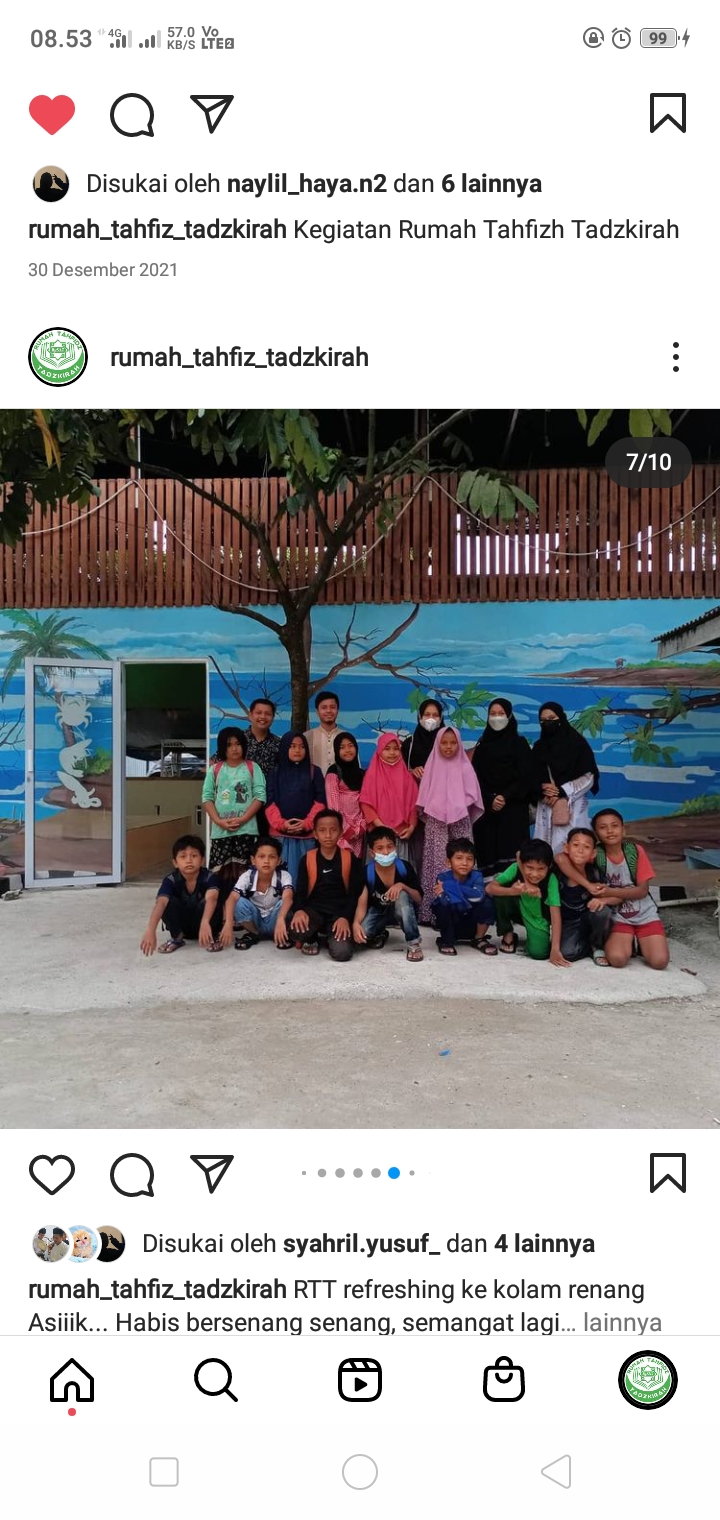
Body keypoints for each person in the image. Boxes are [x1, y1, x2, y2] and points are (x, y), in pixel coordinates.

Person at [416, 725, 484, 921]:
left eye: (453, 743)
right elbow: (424, 796)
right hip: (436, 821)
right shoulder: (432, 765)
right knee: (437, 861)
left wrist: (457, 804)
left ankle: (465, 910)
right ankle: (434, 913)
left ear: (459, 744)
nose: (448, 747)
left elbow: (473, 794)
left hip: (460, 819)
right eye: (444, 743)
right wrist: (439, 807)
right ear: (437, 744)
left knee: (462, 859)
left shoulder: (465, 766)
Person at [592, 809, 669, 971]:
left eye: (614, 825)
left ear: (623, 829)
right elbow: (563, 859)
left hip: (645, 913)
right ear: (596, 834)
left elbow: (642, 891)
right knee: (617, 959)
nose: (610, 831)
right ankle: (629, 941)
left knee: (659, 962)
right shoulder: (596, 855)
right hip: (619, 916)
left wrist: (609, 892)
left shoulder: (635, 851)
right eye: (603, 827)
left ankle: (641, 940)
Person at [289, 809, 364, 959]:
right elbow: (301, 891)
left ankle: (332, 935)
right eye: (322, 830)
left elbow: (354, 894)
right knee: (295, 931)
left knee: (342, 953)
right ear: (315, 834)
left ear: (341, 832)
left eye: (333, 830)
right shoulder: (307, 859)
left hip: (338, 913)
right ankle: (312, 937)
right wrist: (299, 910)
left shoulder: (350, 859)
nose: (328, 835)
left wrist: (345, 917)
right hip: (314, 912)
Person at [471, 699, 534, 876]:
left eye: (501, 714)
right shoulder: (482, 748)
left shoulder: (519, 744)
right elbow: (474, 779)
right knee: (488, 859)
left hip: (514, 810)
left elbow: (526, 776)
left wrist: (505, 796)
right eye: (493, 714)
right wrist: (490, 798)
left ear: (509, 716)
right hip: (488, 812)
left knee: (514, 861)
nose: (497, 718)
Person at [486, 839, 569, 966]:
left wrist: (555, 948)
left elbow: (555, 914)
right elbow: (489, 888)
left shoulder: (551, 879)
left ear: (549, 867)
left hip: (537, 918)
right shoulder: (516, 868)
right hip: (518, 909)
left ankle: (534, 938)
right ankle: (508, 932)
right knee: (500, 892)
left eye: (541, 869)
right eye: (530, 868)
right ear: (522, 864)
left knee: (539, 954)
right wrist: (512, 891)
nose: (535, 874)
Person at [531, 702, 600, 852]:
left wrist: (562, 791)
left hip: (572, 805)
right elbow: (531, 776)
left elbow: (588, 777)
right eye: (543, 720)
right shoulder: (539, 747)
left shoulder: (578, 744)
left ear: (561, 718)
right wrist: (542, 790)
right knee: (543, 850)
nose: (547, 723)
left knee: (573, 849)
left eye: (552, 718)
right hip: (546, 805)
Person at [201, 726, 266, 883]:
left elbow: (260, 796)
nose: (234, 748)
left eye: (238, 744)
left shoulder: (253, 767)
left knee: (246, 877)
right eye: (229, 745)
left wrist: (243, 819)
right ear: (222, 747)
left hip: (247, 831)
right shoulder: (215, 770)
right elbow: (207, 797)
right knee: (219, 877)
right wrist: (218, 821)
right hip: (220, 832)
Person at [141, 835, 224, 955]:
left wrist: (205, 922)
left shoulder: (210, 877)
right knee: (167, 901)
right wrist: (150, 930)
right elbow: (161, 903)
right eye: (183, 856)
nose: (189, 860)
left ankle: (213, 937)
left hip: (206, 925)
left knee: (211, 900)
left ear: (202, 860)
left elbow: (212, 898)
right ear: (175, 862)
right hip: (183, 926)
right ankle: (177, 938)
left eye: (194, 856)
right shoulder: (170, 880)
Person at [353, 826, 424, 961]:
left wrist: (402, 886)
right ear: (372, 852)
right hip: (379, 911)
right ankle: (381, 933)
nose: (386, 852)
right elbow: (362, 903)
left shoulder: (404, 867)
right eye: (380, 848)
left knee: (402, 895)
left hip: (403, 912)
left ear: (395, 847)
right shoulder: (366, 872)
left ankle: (414, 942)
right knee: (363, 933)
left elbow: (418, 898)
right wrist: (356, 923)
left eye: (389, 847)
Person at [265, 732, 326, 879]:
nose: (297, 750)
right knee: (280, 879)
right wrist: (282, 824)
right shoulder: (275, 772)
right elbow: (269, 803)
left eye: (301, 746)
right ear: (284, 748)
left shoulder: (314, 772)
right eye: (292, 746)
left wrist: (307, 823)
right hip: (280, 837)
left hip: (307, 837)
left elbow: (320, 802)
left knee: (307, 877)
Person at [553, 827, 613, 965]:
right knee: (568, 954)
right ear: (566, 848)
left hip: (589, 917)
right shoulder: (559, 872)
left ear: (593, 853)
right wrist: (588, 885)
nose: (580, 850)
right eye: (575, 845)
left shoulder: (594, 873)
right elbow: (560, 858)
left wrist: (603, 900)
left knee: (603, 911)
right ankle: (588, 943)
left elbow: (617, 896)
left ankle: (597, 945)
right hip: (569, 922)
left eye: (586, 847)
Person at [222, 836, 294, 951]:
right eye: (261, 856)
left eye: (272, 857)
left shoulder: (284, 875)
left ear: (279, 861)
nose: (266, 861)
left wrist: (281, 919)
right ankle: (255, 934)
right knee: (238, 902)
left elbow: (288, 897)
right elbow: (231, 898)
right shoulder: (247, 876)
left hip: (276, 921)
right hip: (256, 922)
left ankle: (278, 934)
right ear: (253, 860)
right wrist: (228, 922)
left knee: (284, 903)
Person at [432, 838, 497, 955]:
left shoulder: (477, 876)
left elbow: (479, 896)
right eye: (459, 858)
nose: (464, 863)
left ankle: (479, 938)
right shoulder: (443, 878)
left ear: (474, 862)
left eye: (469, 859)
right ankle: (447, 940)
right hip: (453, 923)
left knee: (487, 901)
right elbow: (444, 900)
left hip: (472, 923)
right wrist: (464, 893)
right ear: (449, 862)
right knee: (441, 904)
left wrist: (451, 887)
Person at [359, 733, 419, 861]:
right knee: (377, 870)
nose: (392, 752)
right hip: (379, 835)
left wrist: (412, 827)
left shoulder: (407, 776)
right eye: (387, 748)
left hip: (401, 835)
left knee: (400, 869)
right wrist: (381, 826)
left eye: (396, 748)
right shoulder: (371, 775)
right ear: (379, 750)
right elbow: (366, 804)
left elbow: (414, 805)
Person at [324, 732, 366, 857]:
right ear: (337, 751)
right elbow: (333, 805)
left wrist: (360, 827)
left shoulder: (362, 773)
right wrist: (346, 828)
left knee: (356, 864)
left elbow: (365, 801)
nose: (347, 750)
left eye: (350, 746)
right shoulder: (334, 771)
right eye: (342, 747)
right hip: (340, 831)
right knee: (342, 862)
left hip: (359, 832)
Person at [401, 697, 444, 780]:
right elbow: (400, 772)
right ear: (420, 716)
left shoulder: (447, 743)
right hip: (415, 787)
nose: (431, 718)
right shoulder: (409, 744)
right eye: (427, 714)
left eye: (435, 715)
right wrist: (412, 772)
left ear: (441, 718)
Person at [304, 690, 344, 776]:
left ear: (337, 710)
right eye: (324, 707)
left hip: (340, 784)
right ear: (317, 711)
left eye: (332, 707)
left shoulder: (346, 736)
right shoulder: (307, 737)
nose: (328, 711)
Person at [243, 697, 282, 777]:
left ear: (273, 718)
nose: (263, 716)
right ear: (250, 715)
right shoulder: (237, 739)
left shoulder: (279, 744)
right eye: (259, 713)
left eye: (268, 714)